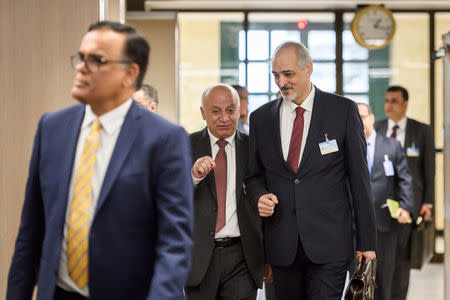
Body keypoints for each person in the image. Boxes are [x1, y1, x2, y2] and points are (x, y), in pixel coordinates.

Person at [6, 21, 193, 300]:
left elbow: (174, 244)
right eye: (81, 57)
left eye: (97, 60)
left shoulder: (165, 139)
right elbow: (31, 233)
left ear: (130, 73)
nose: (82, 67)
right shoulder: (52, 128)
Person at [245, 41, 376, 300]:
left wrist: (367, 243)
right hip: (281, 246)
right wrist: (259, 195)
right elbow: (253, 175)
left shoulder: (342, 111)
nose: (281, 82)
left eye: (288, 74)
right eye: (275, 75)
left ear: (309, 69)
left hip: (331, 245)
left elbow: (360, 180)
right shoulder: (261, 118)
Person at [185, 83, 264, 300]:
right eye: (215, 111)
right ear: (203, 113)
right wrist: (193, 177)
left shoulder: (254, 148)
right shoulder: (185, 145)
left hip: (242, 256)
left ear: (239, 111)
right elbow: (170, 198)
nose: (224, 118)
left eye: (230, 110)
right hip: (199, 257)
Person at [374, 85, 435, 300]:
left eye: (394, 101)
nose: (389, 105)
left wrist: (428, 202)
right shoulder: (377, 128)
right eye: (387, 100)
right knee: (381, 259)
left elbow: (429, 169)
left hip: (409, 205)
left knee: (402, 260)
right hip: (381, 207)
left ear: (405, 104)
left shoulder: (422, 131)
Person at [358, 103, 414, 300]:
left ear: (372, 118)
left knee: (384, 277)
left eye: (363, 116)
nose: (360, 121)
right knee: (356, 279)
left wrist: (406, 207)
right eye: (355, 118)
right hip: (353, 226)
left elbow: (404, 178)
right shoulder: (347, 147)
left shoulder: (391, 146)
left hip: (385, 223)